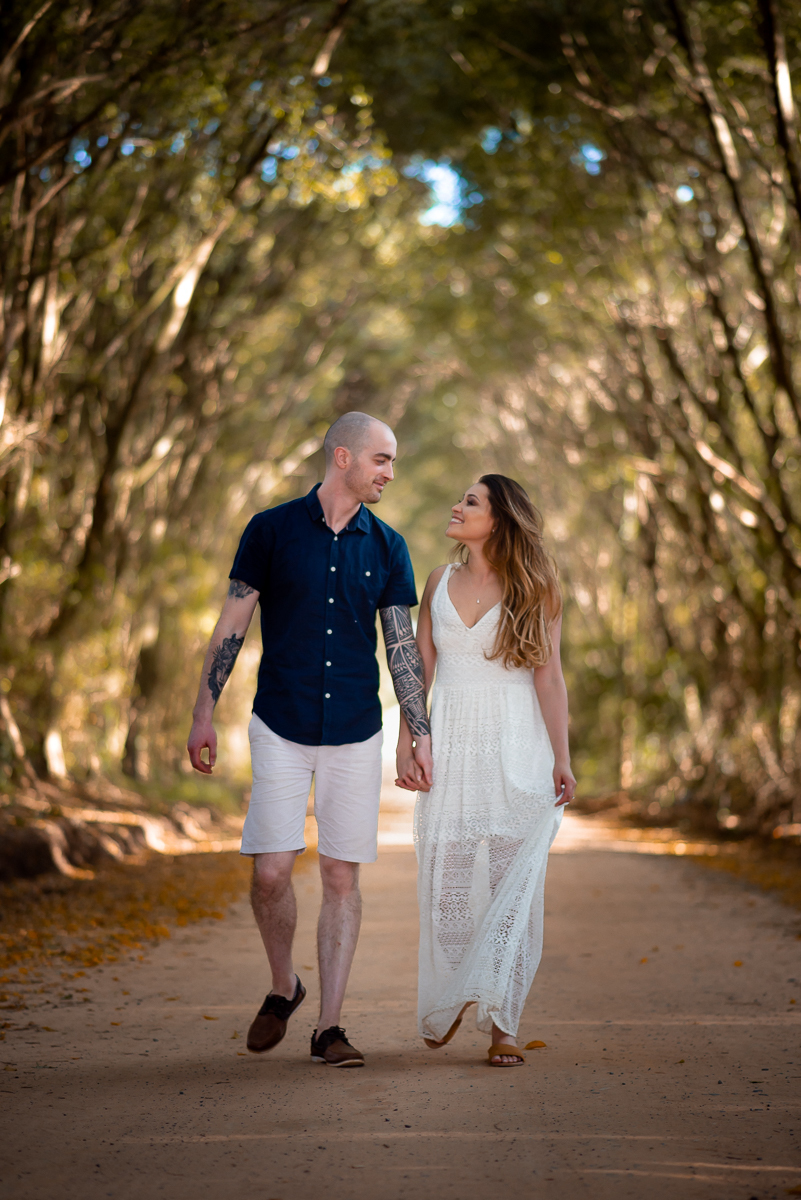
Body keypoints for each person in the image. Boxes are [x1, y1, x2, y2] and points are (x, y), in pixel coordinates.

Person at [187, 412, 432, 1068]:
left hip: (355, 731)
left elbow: (401, 648)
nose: (389, 472)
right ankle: (284, 986)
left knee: (339, 876)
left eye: (392, 461)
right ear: (342, 456)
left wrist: (419, 732)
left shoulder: (389, 546)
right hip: (280, 723)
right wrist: (203, 713)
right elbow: (232, 624)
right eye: (381, 459)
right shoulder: (269, 530)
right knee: (271, 872)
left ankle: (329, 1026)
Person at [396, 474, 575, 1067]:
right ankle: (455, 992)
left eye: (470, 502)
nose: (457, 506)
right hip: (451, 746)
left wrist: (562, 758)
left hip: (517, 747)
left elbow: (549, 678)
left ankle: (503, 1023)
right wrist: (407, 741)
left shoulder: (538, 587)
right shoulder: (437, 581)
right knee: (444, 884)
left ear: (499, 519)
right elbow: (419, 669)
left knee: (509, 890)